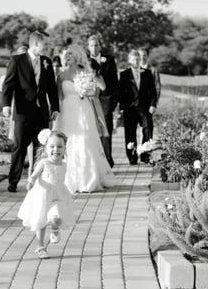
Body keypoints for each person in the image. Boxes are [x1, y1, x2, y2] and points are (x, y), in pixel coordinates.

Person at [2, 31, 60, 193]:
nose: (46, 47)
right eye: (44, 44)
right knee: (19, 147)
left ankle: (36, 181)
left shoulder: (46, 62)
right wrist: (6, 105)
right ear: (35, 44)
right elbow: (8, 85)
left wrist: (55, 107)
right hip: (22, 112)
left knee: (40, 148)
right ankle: (13, 182)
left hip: (41, 113)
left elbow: (51, 88)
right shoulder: (17, 60)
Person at [54, 44, 116, 193]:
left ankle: (87, 179)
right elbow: (58, 96)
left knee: (84, 141)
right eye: (66, 55)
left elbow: (98, 89)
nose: (67, 57)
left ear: (76, 56)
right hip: (67, 110)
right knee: (68, 140)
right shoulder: (61, 75)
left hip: (83, 109)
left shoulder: (86, 72)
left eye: (70, 55)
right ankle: (68, 179)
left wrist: (86, 89)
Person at [18, 129, 75, 259]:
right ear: (46, 148)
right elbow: (34, 175)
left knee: (56, 217)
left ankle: (55, 228)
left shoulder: (64, 164)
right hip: (43, 195)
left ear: (65, 148)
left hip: (58, 195)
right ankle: (41, 246)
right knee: (41, 221)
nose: (56, 149)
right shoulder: (44, 163)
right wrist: (30, 182)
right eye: (52, 146)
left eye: (60, 146)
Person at [119, 49, 158, 165]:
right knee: (130, 133)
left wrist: (152, 105)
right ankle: (132, 156)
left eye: (138, 59)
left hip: (145, 108)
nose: (136, 61)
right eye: (134, 59)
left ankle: (145, 155)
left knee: (148, 129)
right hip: (130, 109)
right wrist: (122, 107)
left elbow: (153, 91)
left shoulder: (147, 73)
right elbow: (121, 92)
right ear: (129, 61)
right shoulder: (124, 74)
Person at [88, 35, 119, 168]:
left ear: (100, 46)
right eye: (91, 45)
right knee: (92, 130)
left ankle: (107, 160)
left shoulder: (109, 59)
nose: (94, 48)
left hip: (106, 100)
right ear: (88, 47)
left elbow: (114, 82)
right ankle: (95, 160)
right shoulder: (83, 60)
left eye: (96, 45)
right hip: (89, 100)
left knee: (106, 130)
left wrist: (114, 101)